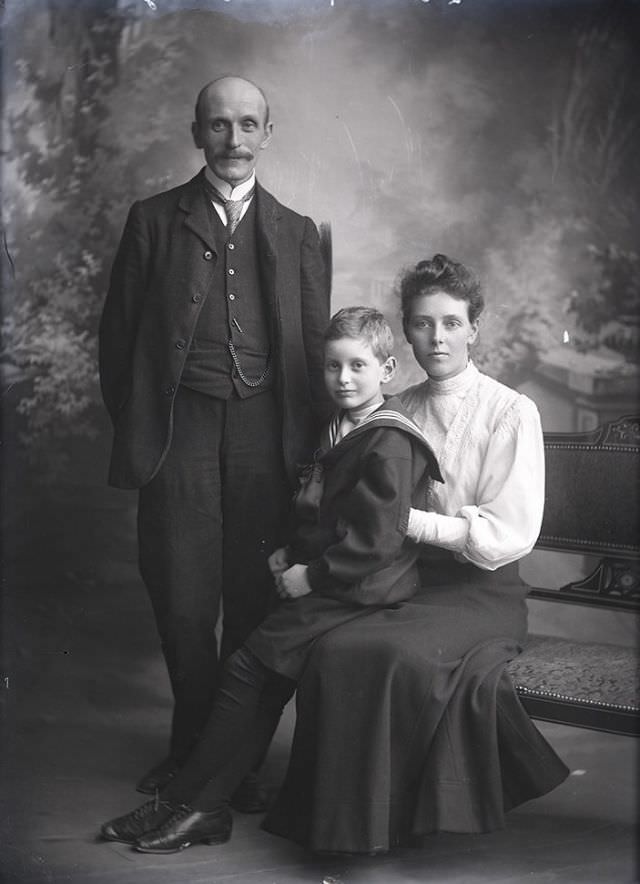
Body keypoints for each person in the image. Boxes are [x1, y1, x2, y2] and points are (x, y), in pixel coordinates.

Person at [99, 306, 443, 853]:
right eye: (332, 367)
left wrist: (313, 576)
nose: (343, 379)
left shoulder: (389, 441)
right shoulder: (337, 425)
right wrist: (290, 551)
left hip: (364, 590)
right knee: (257, 680)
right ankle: (195, 806)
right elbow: (322, 511)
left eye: (358, 366)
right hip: (337, 581)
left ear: (388, 369)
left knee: (246, 669)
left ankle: (189, 803)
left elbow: (377, 542)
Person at [261, 254, 570, 854]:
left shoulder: (511, 411)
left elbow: (510, 535)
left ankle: (377, 826)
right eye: (423, 324)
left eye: (452, 323)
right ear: (405, 332)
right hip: (404, 580)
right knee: (334, 649)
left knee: (385, 652)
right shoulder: (393, 406)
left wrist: (408, 522)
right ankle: (340, 825)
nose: (438, 338)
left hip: (481, 590)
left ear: (474, 328)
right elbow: (349, 504)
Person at [98, 76, 330, 803]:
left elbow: (318, 350)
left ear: (268, 132)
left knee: (255, 598)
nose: (234, 140)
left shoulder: (297, 231)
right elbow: (118, 344)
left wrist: (309, 451)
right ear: (197, 132)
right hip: (181, 432)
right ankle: (192, 752)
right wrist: (148, 424)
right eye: (219, 126)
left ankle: (238, 761)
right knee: (184, 598)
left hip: (268, 437)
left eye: (248, 125)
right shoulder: (154, 219)